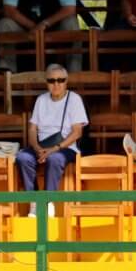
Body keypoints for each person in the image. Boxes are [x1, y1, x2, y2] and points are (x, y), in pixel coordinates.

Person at [16, 64, 88, 218]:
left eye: (60, 80)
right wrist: (36, 147)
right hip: (42, 145)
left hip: (65, 146)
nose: (56, 84)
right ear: (46, 82)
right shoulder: (41, 100)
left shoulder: (74, 99)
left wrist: (54, 149)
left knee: (55, 159)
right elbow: (32, 129)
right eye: (52, 80)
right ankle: (34, 202)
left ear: (66, 81)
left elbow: (77, 132)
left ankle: (48, 202)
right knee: (22, 157)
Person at [0, 0, 81, 73]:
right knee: (4, 24)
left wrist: (45, 24)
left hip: (54, 26)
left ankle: (75, 72)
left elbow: (70, 9)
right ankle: (8, 71)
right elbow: (8, 10)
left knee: (71, 23)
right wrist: (34, 27)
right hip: (25, 28)